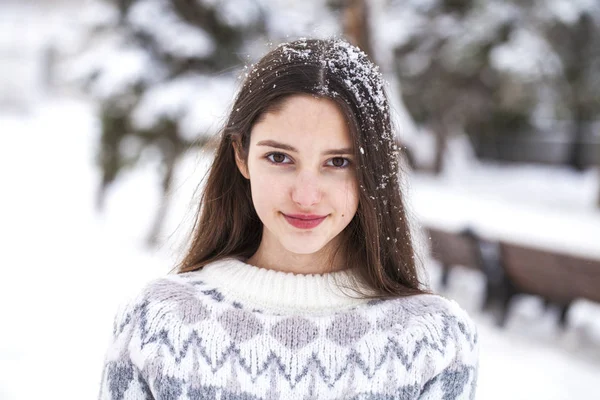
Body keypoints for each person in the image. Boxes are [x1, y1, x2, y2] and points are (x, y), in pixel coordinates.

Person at [98, 38, 478, 399]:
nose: (306, 195)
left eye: (339, 162)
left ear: (373, 170)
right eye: (279, 157)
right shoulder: (158, 323)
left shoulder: (433, 340)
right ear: (241, 155)